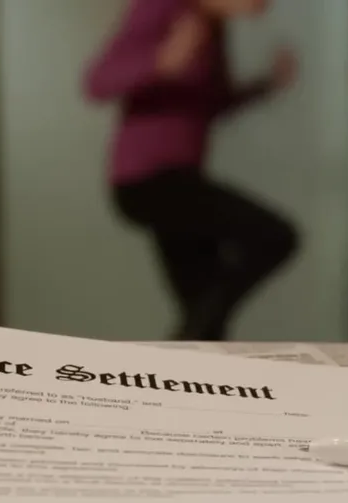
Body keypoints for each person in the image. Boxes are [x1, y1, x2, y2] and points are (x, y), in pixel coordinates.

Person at [84, 0, 299, 340]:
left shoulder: (213, 29)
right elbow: (97, 82)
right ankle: (189, 332)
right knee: (275, 237)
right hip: (147, 181)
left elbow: (207, 105)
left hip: (182, 178)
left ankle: (190, 340)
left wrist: (265, 86)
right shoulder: (161, 6)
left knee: (204, 309)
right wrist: (160, 62)